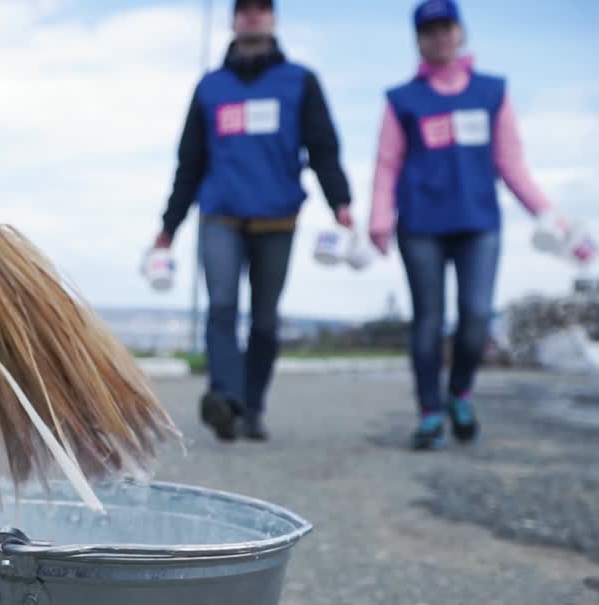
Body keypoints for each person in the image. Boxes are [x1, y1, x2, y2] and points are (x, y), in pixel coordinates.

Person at [153, 0, 354, 442]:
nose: (253, 15)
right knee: (221, 306)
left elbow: (323, 149)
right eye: (244, 9)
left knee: (264, 320)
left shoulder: (300, 82)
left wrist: (341, 203)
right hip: (219, 215)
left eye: (262, 8)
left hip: (277, 218)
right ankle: (224, 398)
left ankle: (252, 407)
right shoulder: (210, 87)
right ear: (233, 19)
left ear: (274, 18)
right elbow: (189, 162)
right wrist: (169, 227)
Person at [369, 0, 560, 450]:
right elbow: (387, 163)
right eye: (430, 30)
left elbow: (511, 165)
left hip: (478, 223)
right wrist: (379, 216)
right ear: (419, 39)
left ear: (460, 33)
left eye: (446, 27)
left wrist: (552, 218)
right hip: (420, 223)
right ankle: (431, 413)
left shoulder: (492, 92)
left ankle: (460, 394)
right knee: (428, 321)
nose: (439, 37)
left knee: (475, 317)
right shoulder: (403, 100)